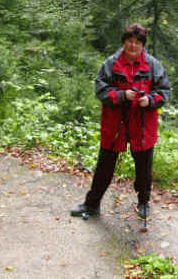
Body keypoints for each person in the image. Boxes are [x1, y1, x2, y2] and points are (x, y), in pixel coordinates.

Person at [71, 23, 170, 220]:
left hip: (142, 126)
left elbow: (164, 92)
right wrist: (122, 94)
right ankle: (91, 205)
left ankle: (144, 202)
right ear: (124, 42)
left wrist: (148, 100)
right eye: (129, 42)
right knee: (104, 166)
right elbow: (101, 90)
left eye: (137, 42)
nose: (133, 46)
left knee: (144, 169)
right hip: (115, 125)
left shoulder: (153, 65)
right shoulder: (111, 63)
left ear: (143, 45)